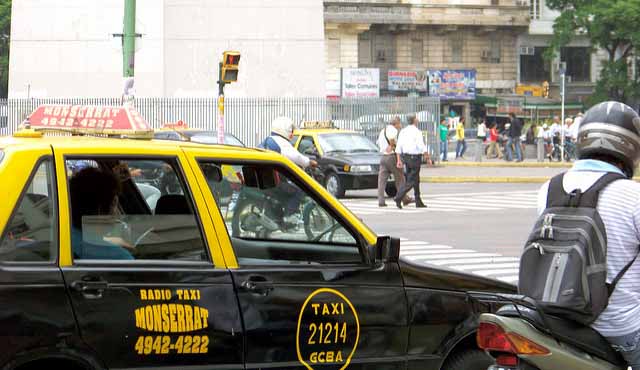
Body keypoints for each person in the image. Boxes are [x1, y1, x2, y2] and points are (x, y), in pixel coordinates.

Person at [535, 101, 640, 369]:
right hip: (622, 328)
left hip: (558, 318)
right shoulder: (632, 195)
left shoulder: (549, 188)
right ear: (630, 148)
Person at [69, 167, 134, 260]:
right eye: (115, 204)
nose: (118, 213)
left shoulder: (64, 234)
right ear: (101, 210)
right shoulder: (120, 258)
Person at [394, 115, 428, 209]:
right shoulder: (417, 132)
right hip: (415, 158)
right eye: (416, 118)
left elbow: (398, 146)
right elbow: (420, 145)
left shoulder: (403, 131)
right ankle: (398, 197)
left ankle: (418, 200)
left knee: (415, 179)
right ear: (414, 120)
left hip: (406, 157)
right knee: (412, 180)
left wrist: (399, 160)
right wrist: (426, 155)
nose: (418, 119)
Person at [376, 117, 412, 207]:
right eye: (400, 123)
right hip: (392, 157)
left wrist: (386, 148)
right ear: (396, 123)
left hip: (383, 157)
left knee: (381, 180)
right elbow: (392, 139)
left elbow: (378, 143)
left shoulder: (383, 130)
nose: (400, 125)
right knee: (400, 178)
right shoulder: (393, 130)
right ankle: (404, 198)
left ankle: (381, 201)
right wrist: (391, 146)